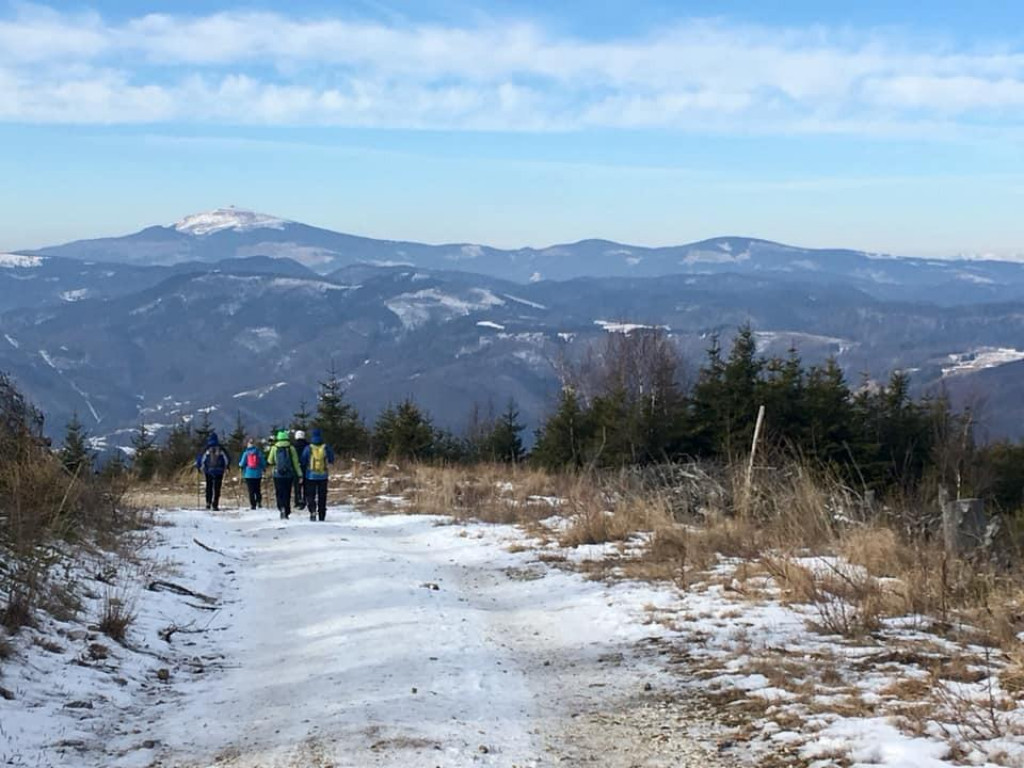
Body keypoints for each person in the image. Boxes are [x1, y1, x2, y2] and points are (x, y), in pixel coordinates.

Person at [266, 429, 301, 520]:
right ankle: (287, 510)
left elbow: (270, 460)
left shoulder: (274, 448)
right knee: (287, 492)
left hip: (277, 474)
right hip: (289, 474)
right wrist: (299, 474)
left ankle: (281, 507)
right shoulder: (291, 448)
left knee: (279, 492)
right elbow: (295, 462)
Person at [301, 428, 335, 521]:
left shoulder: (308, 448)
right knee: (322, 496)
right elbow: (331, 459)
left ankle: (312, 510)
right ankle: (322, 515)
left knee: (310, 495)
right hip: (323, 475)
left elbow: (303, 460)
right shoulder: (326, 447)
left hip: (310, 475)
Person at [195, 433, 230, 511]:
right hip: (219, 471)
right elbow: (227, 459)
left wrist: (199, 466)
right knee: (217, 488)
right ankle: (215, 504)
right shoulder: (221, 448)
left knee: (209, 487)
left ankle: (208, 503)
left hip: (208, 471)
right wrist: (226, 467)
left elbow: (200, 459)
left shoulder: (206, 448)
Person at [238, 438, 265, 510]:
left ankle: (253, 505)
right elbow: (263, 462)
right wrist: (263, 468)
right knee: (258, 489)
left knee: (251, 490)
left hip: (248, 474)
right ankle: (259, 502)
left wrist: (240, 465)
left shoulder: (246, 453)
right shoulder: (258, 452)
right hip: (258, 474)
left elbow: (242, 463)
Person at [292, 429, 310, 511]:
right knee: (306, 485)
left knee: (297, 486)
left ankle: (297, 501)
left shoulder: (293, 446)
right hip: (306, 467)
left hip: (296, 468)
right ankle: (305, 500)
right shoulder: (308, 445)